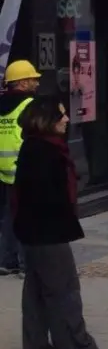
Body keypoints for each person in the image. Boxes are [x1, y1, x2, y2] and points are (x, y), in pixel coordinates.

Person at [13, 95, 108, 349]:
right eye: (60, 115)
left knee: (35, 291)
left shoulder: (34, 147)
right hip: (47, 233)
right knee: (64, 289)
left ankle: (35, 347)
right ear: (46, 120)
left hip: (32, 231)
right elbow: (47, 196)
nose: (67, 120)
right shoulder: (46, 151)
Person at [0, 59, 41, 275]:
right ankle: (27, 264)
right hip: (25, 168)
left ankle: (7, 261)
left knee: (9, 216)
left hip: (4, 170)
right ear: (22, 83)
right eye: (33, 79)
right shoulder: (30, 105)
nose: (37, 83)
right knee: (29, 216)